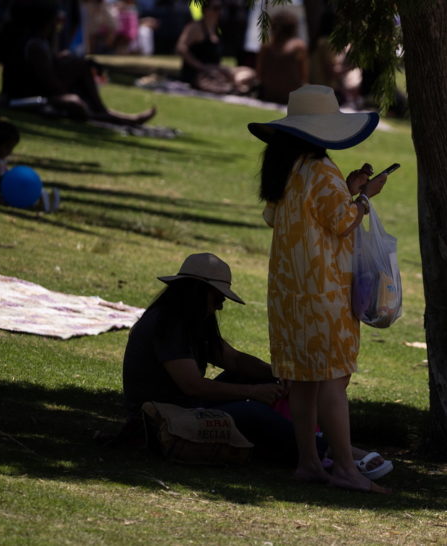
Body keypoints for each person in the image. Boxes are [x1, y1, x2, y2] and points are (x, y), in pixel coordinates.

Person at [121, 252, 393, 476]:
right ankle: (327, 451)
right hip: (165, 412)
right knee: (251, 413)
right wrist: (253, 393)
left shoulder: (190, 319)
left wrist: (276, 374)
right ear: (198, 292)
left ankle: (320, 443)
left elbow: (235, 360)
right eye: (217, 298)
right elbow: (192, 386)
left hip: (184, 403)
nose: (220, 307)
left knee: (249, 385)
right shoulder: (169, 324)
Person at [248, 85, 391, 492]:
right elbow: (342, 221)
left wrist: (349, 192)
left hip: (289, 292)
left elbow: (282, 218)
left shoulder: (286, 169)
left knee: (304, 379)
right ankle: (346, 467)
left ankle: (309, 462)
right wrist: (364, 196)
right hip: (323, 290)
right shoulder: (321, 168)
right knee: (332, 378)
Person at [0, 0, 156, 126]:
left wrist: (71, 62)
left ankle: (105, 112)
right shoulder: (35, 45)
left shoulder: (39, 41)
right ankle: (104, 115)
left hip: (34, 92)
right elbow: (51, 86)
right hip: (23, 99)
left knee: (80, 64)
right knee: (74, 101)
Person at [175, 0, 255, 95]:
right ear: (206, 10)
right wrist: (201, 66)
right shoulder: (195, 27)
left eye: (220, 8)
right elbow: (181, 48)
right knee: (215, 77)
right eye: (215, 8)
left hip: (215, 69)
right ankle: (234, 88)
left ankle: (237, 85)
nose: (218, 12)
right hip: (199, 72)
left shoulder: (217, 30)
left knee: (248, 72)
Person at [0, 117, 60, 212]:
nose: (10, 151)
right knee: (17, 195)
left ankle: (45, 201)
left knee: (23, 192)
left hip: (0, 191)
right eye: (7, 147)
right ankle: (42, 202)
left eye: (11, 147)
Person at [255, 8, 309, 104]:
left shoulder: (266, 45)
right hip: (290, 96)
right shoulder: (299, 46)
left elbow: (260, 73)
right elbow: (303, 75)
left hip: (269, 93)